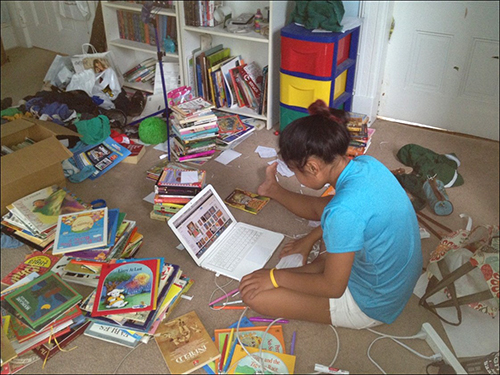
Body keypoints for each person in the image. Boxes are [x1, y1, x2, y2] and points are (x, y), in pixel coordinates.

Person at [239, 99, 423, 329]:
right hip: (392, 279)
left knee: (255, 296)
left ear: (313, 167)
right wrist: (309, 238)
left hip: (373, 303)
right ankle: (274, 192)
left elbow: (333, 288)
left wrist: (274, 277)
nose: (296, 176)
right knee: (330, 210)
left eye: (295, 171)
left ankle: (320, 266)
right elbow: (338, 214)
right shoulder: (367, 164)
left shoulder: (342, 212)